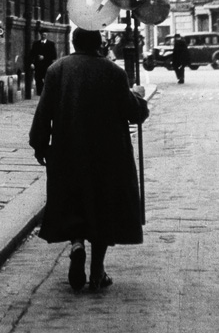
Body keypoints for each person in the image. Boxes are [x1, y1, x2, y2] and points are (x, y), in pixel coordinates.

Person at [29, 28, 149, 292]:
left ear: (74, 42)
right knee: (103, 208)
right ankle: (97, 270)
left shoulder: (56, 70)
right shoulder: (114, 72)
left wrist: (39, 143)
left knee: (75, 202)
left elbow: (44, 110)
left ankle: (76, 245)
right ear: (99, 44)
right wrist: (139, 95)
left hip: (68, 151)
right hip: (108, 156)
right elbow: (133, 112)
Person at [29, 30, 59, 96]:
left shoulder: (51, 44)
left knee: (47, 79)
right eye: (42, 34)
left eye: (45, 34)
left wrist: (44, 57)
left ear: (47, 35)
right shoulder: (36, 44)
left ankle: (47, 93)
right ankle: (40, 93)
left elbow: (54, 55)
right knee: (38, 79)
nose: (44, 35)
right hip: (38, 66)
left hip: (47, 65)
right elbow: (32, 54)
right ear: (40, 35)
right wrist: (32, 63)